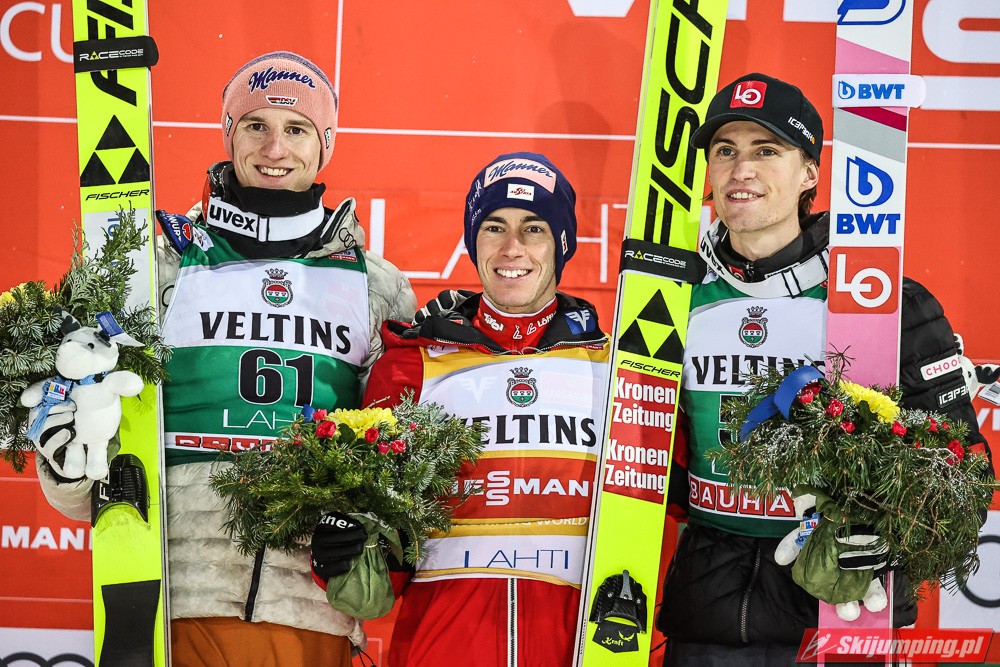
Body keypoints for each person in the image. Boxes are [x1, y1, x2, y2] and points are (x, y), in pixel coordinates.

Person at [32, 51, 416, 666]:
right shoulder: (157, 260)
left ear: (325, 145)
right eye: (255, 125)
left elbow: (398, 466)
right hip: (175, 596)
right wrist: (70, 467)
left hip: (308, 611)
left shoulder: (376, 284)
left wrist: (368, 539)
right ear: (229, 133)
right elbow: (92, 464)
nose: (275, 148)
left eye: (297, 129)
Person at [653, 72, 993, 666]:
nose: (741, 170)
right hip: (707, 617)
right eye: (725, 151)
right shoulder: (671, 297)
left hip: (836, 608)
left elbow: (964, 471)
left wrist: (891, 534)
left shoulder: (881, 299)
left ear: (810, 172)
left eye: (766, 151)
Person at [357, 151, 609, 666]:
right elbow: (376, 562)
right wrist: (342, 553)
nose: (512, 247)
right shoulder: (411, 364)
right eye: (494, 227)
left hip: (581, 648)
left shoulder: (615, 369)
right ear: (474, 242)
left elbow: (661, 515)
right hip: (442, 648)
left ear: (562, 244)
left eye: (534, 228)